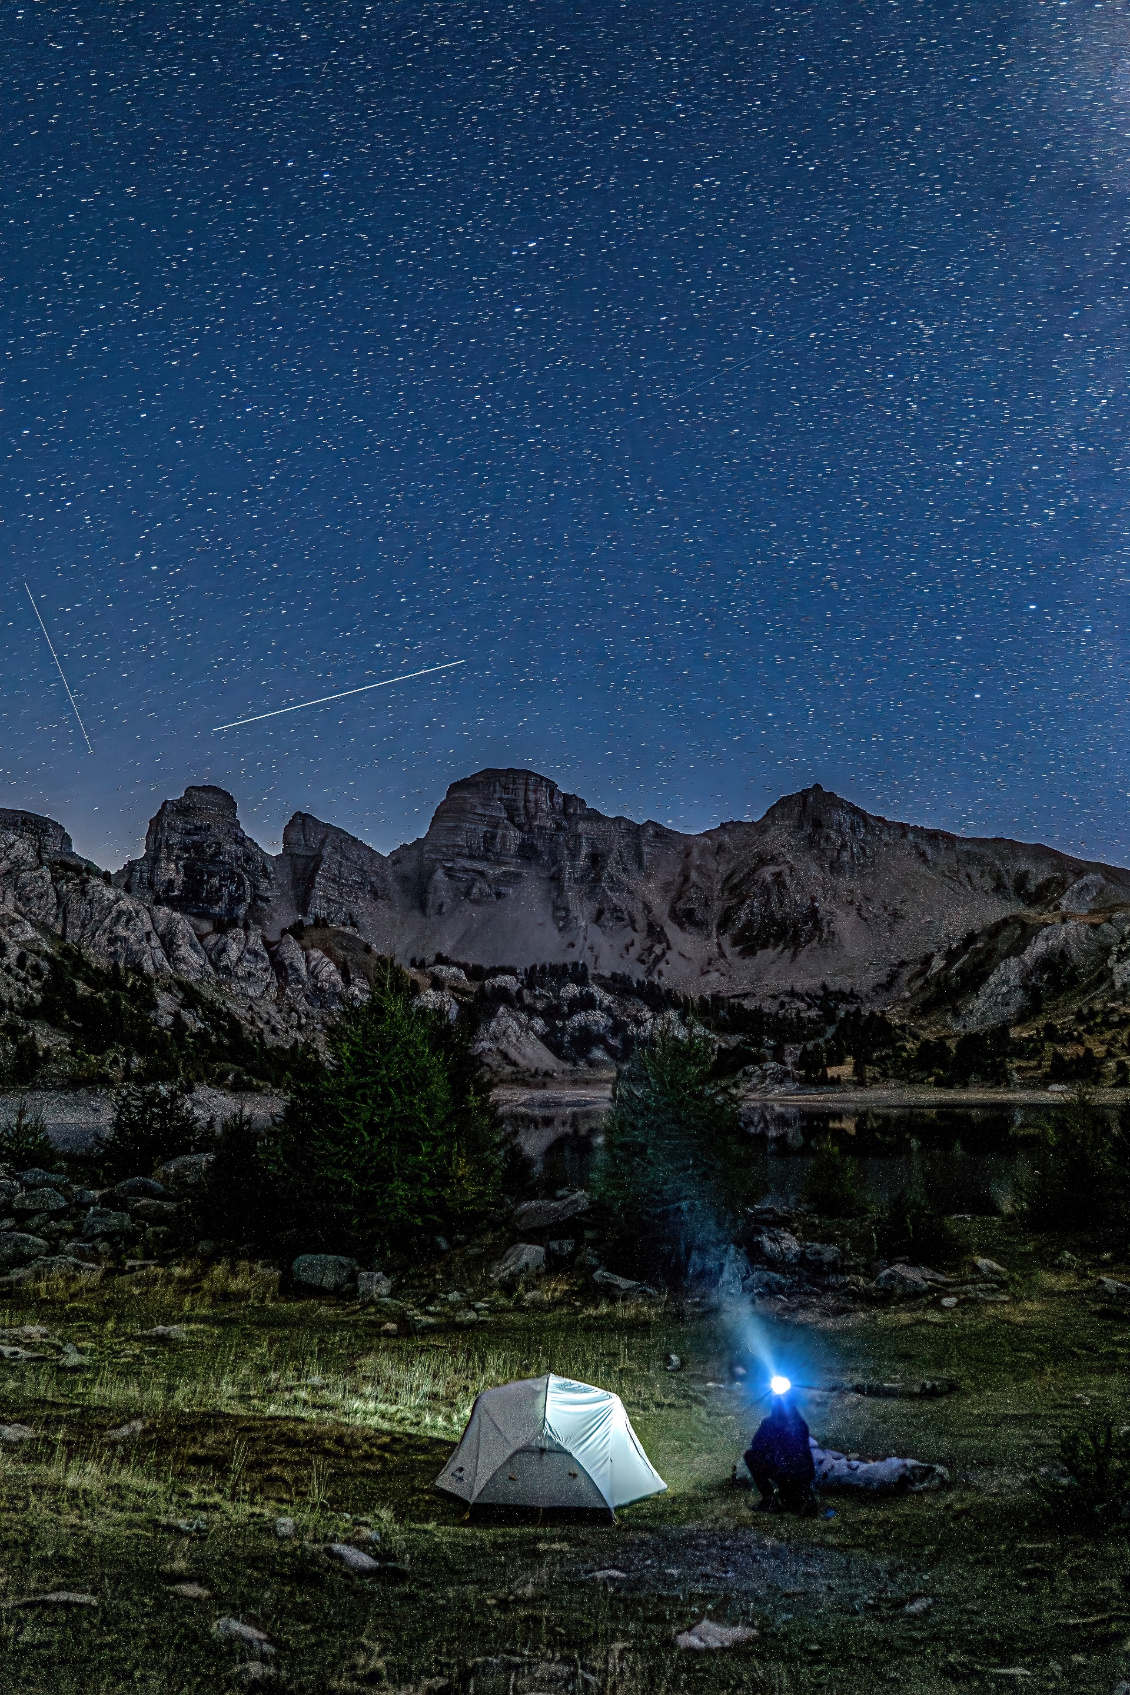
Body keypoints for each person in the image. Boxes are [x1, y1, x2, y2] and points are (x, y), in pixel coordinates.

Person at [743, 1391, 818, 1514]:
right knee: (798, 1464)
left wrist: (770, 1452)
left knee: (750, 1456)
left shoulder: (769, 1424)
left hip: (785, 1474)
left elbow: (757, 1446)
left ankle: (770, 1500)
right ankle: (808, 1498)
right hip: (805, 1476)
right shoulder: (801, 1423)